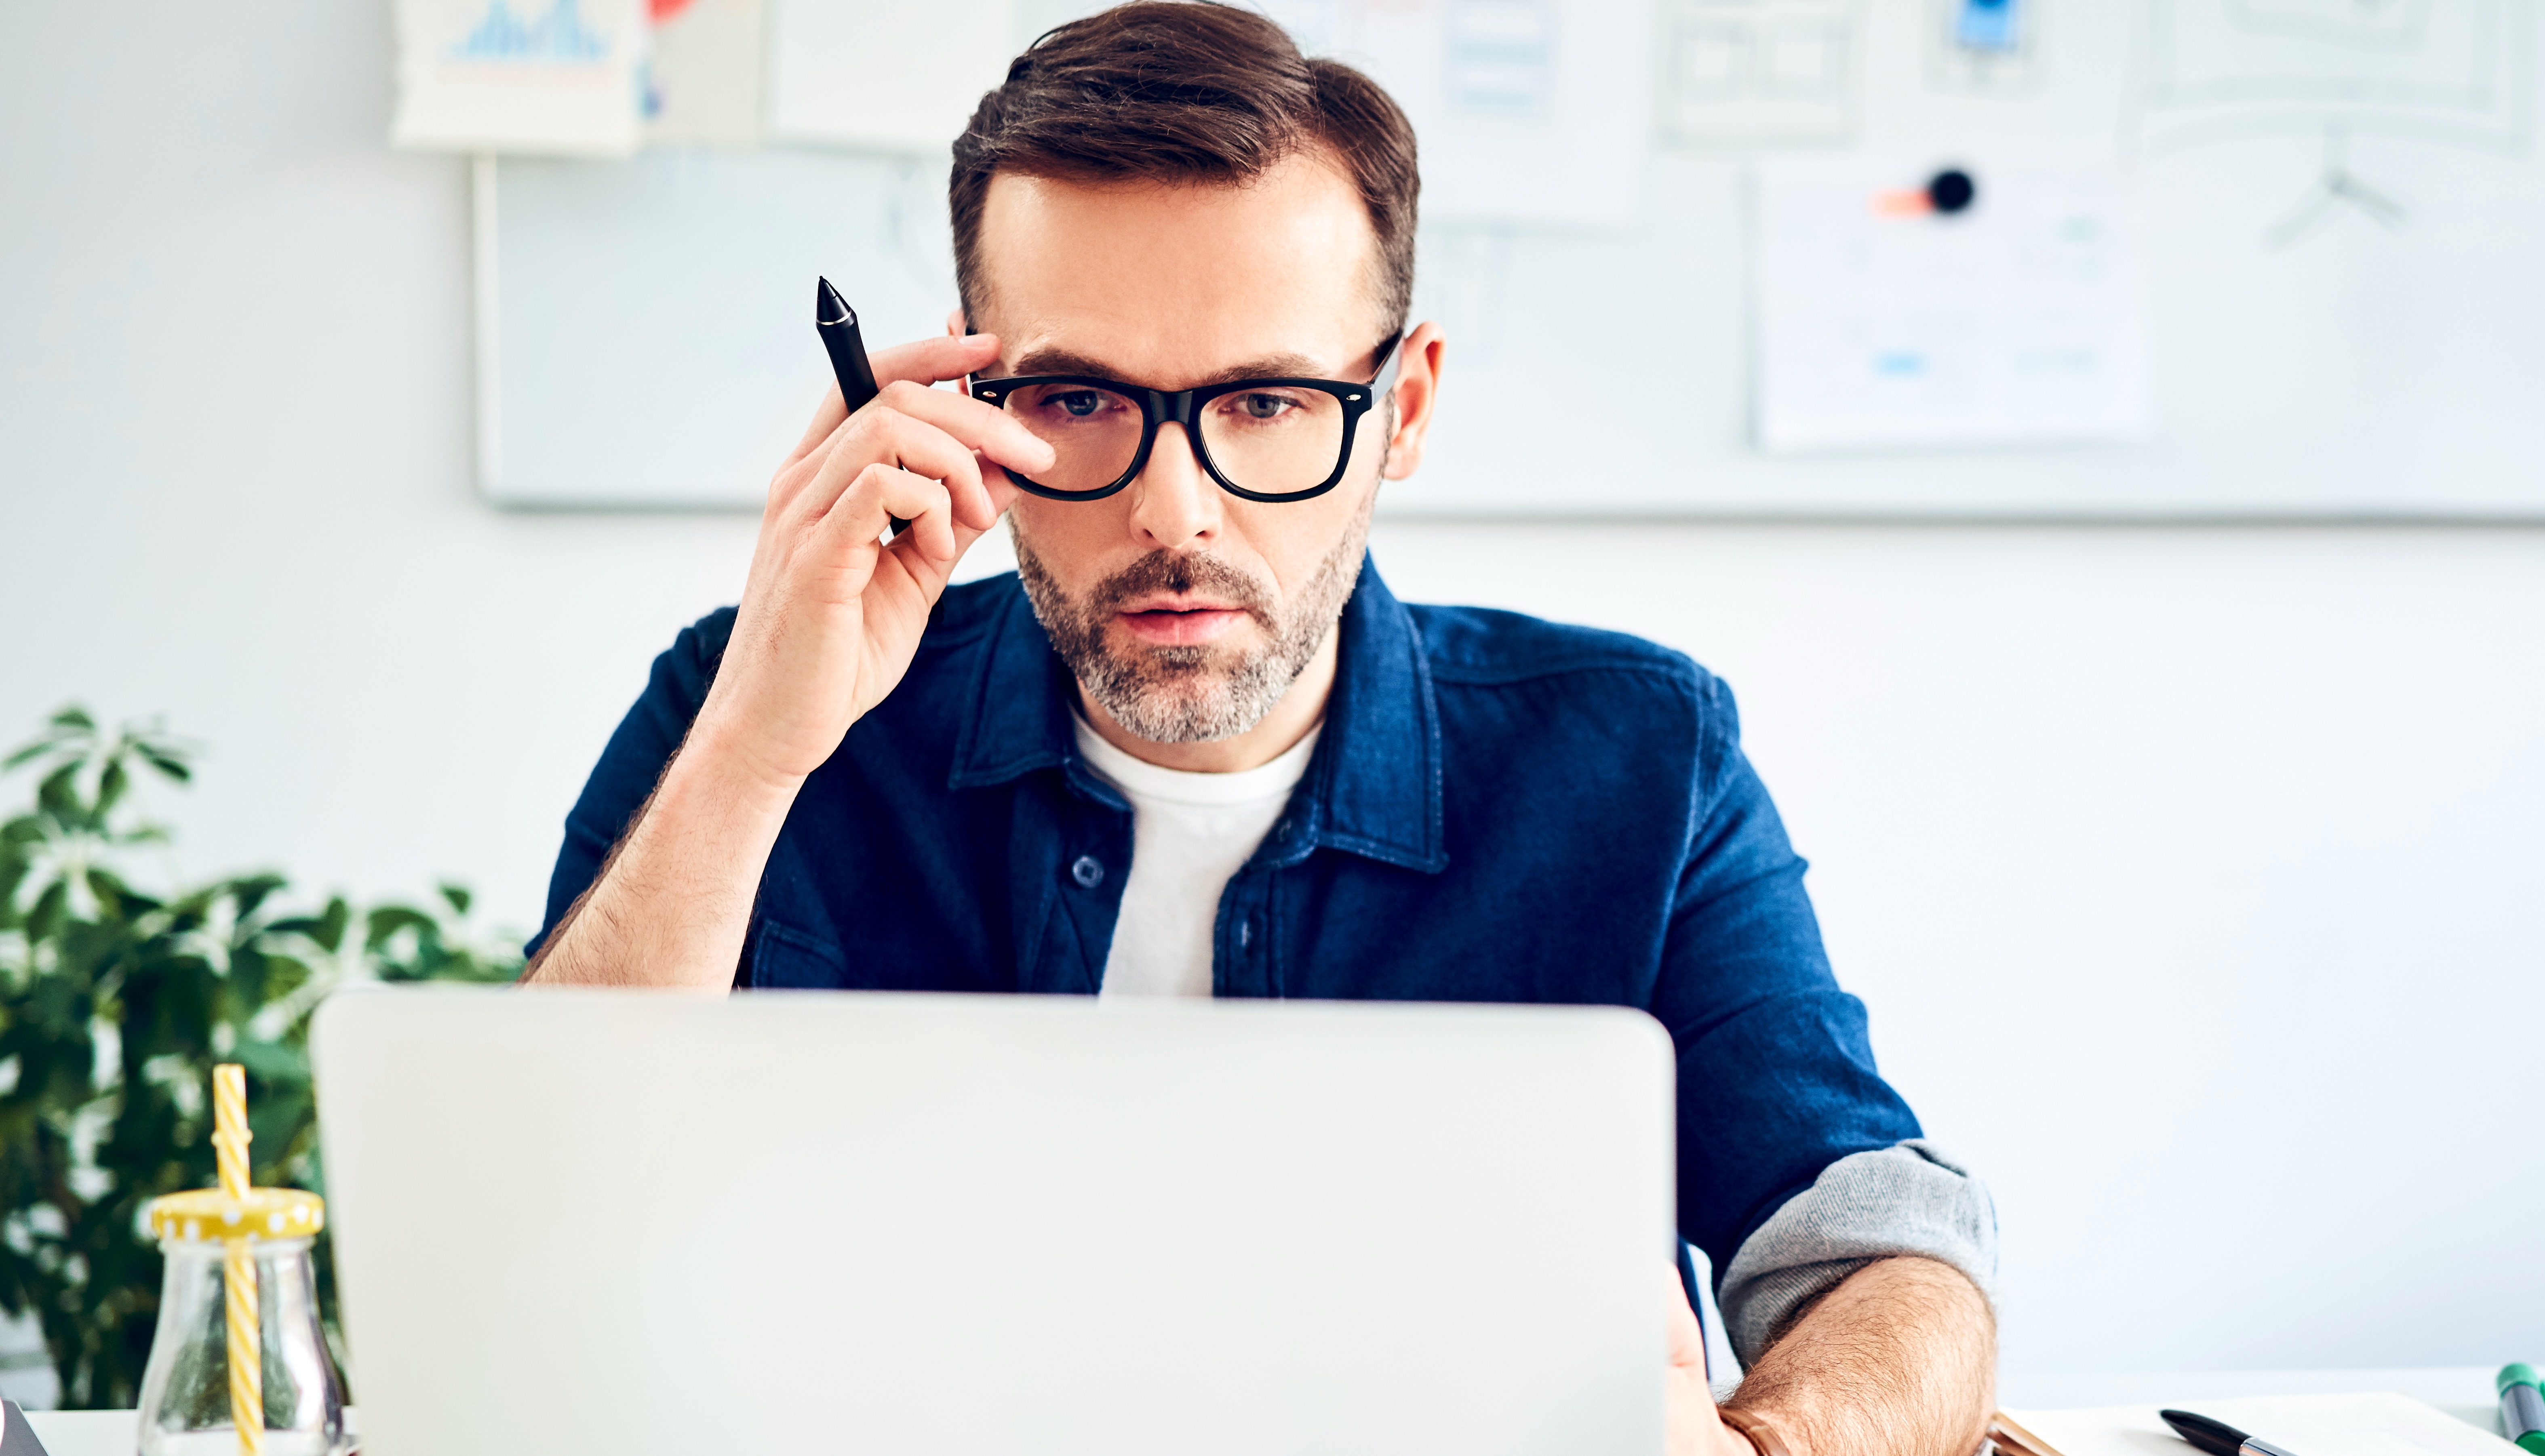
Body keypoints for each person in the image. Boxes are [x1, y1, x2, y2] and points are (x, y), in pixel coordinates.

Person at [525, 4, 1996, 1451]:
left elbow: (1878, 1253)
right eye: (1080, 396)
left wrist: (1777, 1451)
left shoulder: (1637, 763)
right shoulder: (755, 706)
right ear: (965, 402)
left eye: (1273, 401)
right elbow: (529, 1241)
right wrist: (757, 755)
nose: (1176, 508)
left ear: (1401, 409)